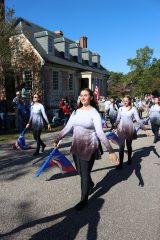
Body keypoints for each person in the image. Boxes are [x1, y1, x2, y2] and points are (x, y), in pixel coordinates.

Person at [53, 88, 118, 210]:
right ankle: (90, 183)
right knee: (81, 172)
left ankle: (83, 200)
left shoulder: (94, 113)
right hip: (76, 145)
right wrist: (57, 139)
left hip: (89, 146)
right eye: (81, 95)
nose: (83, 98)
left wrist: (110, 150)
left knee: (84, 174)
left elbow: (100, 132)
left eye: (86, 95)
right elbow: (67, 128)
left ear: (91, 97)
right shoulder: (76, 112)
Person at [114, 95, 145, 169]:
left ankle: (129, 159)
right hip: (121, 129)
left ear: (130, 101)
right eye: (123, 101)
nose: (124, 102)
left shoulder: (133, 109)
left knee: (128, 145)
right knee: (121, 147)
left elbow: (137, 119)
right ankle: (120, 163)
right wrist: (114, 126)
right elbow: (118, 119)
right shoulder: (120, 108)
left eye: (126, 101)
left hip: (129, 129)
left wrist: (143, 126)